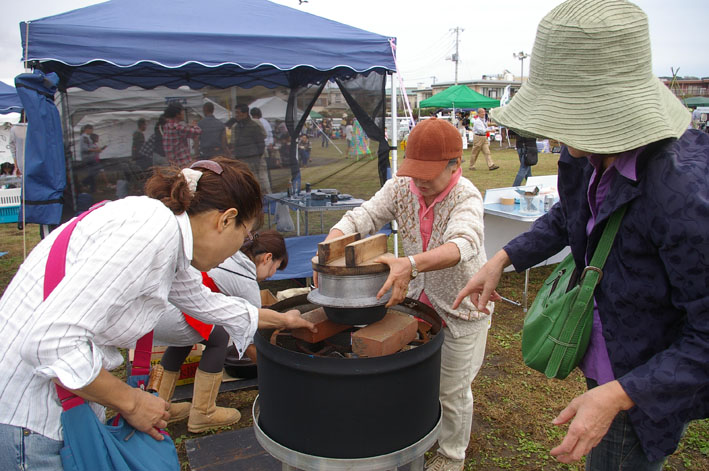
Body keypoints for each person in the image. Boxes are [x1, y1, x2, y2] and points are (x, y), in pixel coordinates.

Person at [454, 0, 708, 468]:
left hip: (643, 379)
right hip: (606, 347)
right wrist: (503, 257)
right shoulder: (582, 154)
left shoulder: (683, 198)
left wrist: (620, 395)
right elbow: (568, 217)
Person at [0, 157, 315, 470]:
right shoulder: (151, 233)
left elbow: (203, 301)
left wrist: (283, 319)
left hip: (54, 407)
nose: (240, 246)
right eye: (244, 234)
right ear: (225, 220)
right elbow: (49, 341)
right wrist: (133, 403)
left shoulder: (166, 232)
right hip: (31, 421)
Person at [316, 118, 492, 471]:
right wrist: (330, 246)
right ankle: (422, 432)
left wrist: (409, 263)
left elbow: (463, 245)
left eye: (428, 174)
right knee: (418, 380)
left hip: (462, 309)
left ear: (454, 165)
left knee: (452, 390)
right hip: (416, 305)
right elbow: (363, 216)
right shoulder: (402, 187)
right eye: (414, 172)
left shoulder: (466, 196)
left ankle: (451, 455)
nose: (419, 182)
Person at [152, 229, 288, 432]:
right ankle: (203, 413)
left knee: (186, 340)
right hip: (173, 313)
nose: (272, 275)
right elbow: (252, 339)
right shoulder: (247, 280)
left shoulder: (232, 255)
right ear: (268, 258)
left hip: (160, 310)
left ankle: (160, 407)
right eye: (276, 267)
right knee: (218, 336)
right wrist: (275, 375)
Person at [230, 104, 267, 190]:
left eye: (238, 113)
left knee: (255, 181)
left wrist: (257, 156)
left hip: (252, 159)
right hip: (241, 159)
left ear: (245, 113)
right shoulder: (237, 127)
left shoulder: (253, 125)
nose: (236, 115)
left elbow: (260, 142)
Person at [162, 102, 202, 167]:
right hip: (182, 164)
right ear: (177, 114)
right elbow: (198, 131)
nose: (183, 114)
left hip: (173, 165)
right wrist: (194, 125)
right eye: (182, 112)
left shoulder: (167, 126)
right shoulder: (178, 128)